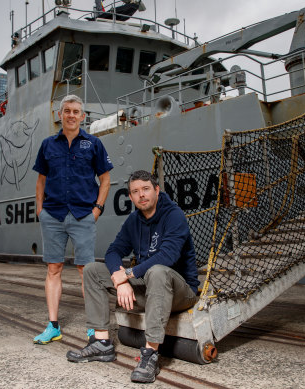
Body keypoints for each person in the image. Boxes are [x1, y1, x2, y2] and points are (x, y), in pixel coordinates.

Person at [66, 170, 199, 384]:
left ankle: (150, 354)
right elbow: (113, 252)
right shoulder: (134, 220)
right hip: (150, 288)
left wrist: (127, 274)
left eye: (146, 189)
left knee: (157, 271)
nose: (141, 195)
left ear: (156, 190)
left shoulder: (174, 215)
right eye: (135, 192)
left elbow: (168, 256)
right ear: (131, 196)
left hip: (181, 292)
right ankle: (101, 343)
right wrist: (121, 282)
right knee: (92, 270)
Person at [32, 95, 113, 344]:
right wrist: (40, 210)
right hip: (53, 214)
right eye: (66, 111)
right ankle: (53, 325)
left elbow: (105, 179)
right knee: (53, 268)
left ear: (82, 116)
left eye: (76, 111)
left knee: (85, 271)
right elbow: (41, 181)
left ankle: (93, 326)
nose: (71, 115)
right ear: (60, 115)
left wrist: (97, 209)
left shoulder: (94, 144)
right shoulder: (48, 145)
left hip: (82, 214)